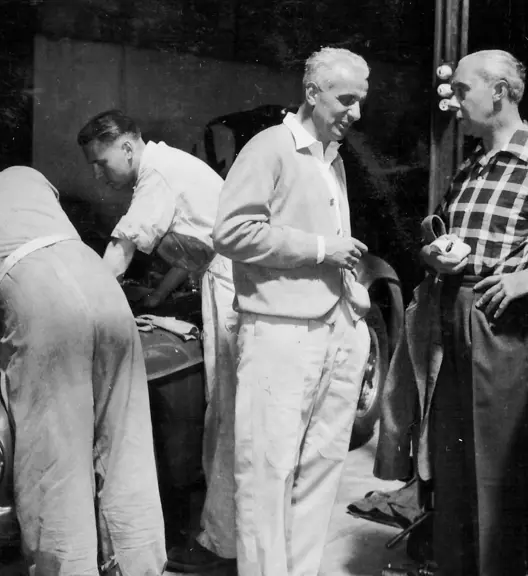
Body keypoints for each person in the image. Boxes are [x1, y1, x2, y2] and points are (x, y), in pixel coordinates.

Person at [0, 166, 166, 576]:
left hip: (44, 306)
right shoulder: (25, 176)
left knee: (56, 462)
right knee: (126, 443)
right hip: (103, 286)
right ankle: (140, 566)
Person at [213, 47, 372, 576]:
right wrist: (322, 249)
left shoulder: (332, 158)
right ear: (311, 93)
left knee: (323, 465)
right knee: (267, 474)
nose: (355, 112)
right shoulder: (270, 148)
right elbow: (232, 232)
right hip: (280, 333)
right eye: (345, 99)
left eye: (360, 101)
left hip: (334, 329)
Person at [77, 110, 238, 572]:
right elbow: (194, 246)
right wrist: (158, 297)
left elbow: (121, 250)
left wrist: (79, 307)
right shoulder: (172, 166)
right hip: (223, 276)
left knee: (225, 415)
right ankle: (225, 533)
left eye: (101, 162)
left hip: (230, 286)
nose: (97, 173)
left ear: (128, 148)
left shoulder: (155, 175)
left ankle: (218, 546)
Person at [421, 49, 528, 576]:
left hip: (504, 330)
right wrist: (433, 251)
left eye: (462, 90)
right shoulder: (473, 163)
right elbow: (441, 228)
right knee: (454, 463)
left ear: (500, 92)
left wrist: (525, 278)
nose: (453, 101)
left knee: (497, 466)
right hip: (453, 318)